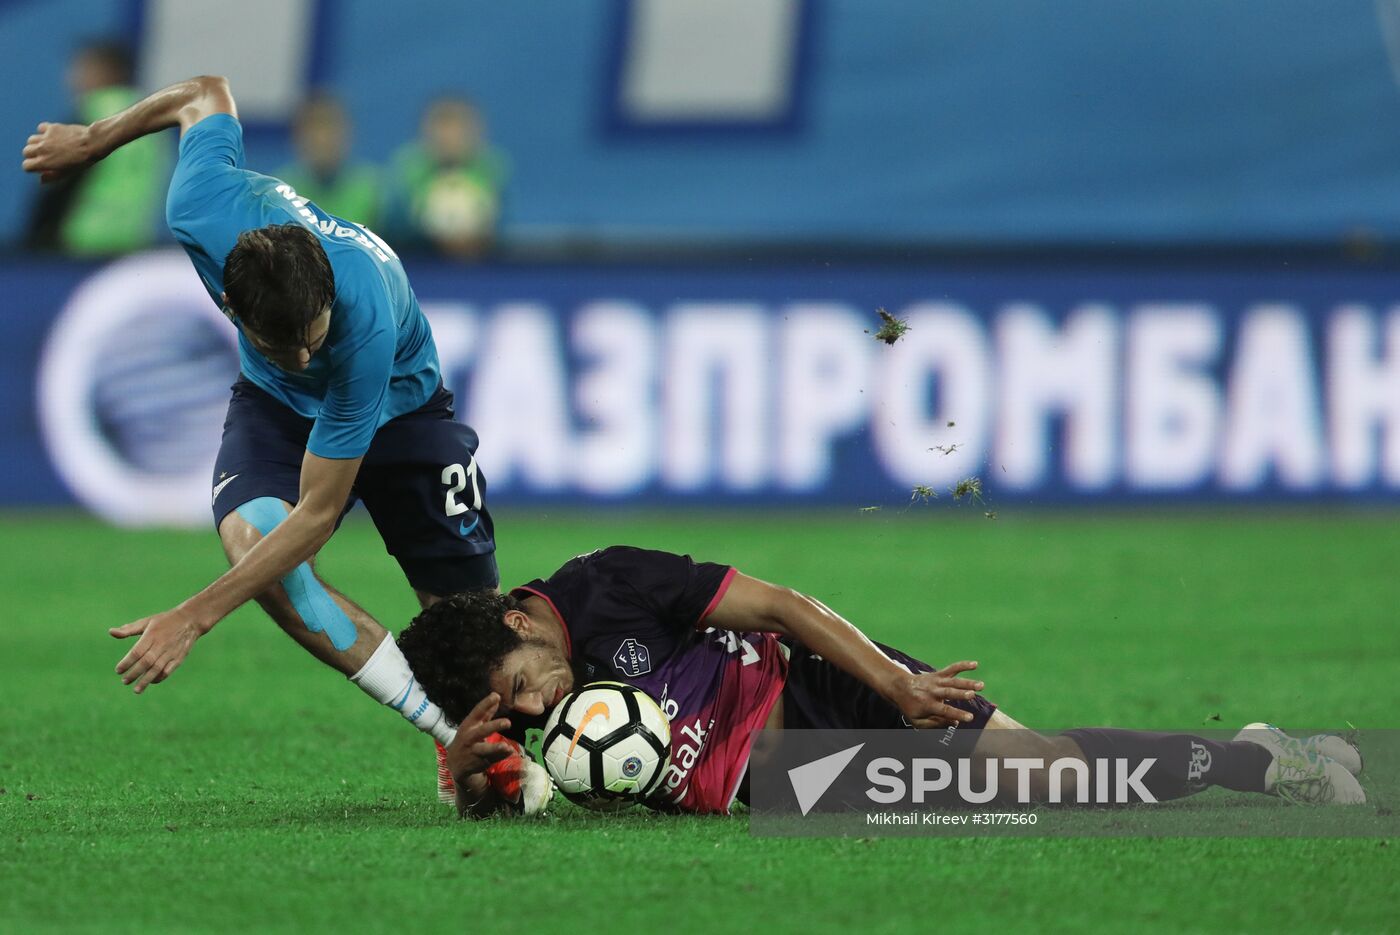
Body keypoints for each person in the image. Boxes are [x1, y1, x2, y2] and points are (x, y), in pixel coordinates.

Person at [21, 76, 498, 774]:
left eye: (312, 335)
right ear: (234, 310)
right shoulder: (203, 207)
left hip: (402, 410)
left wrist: (193, 614)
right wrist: (96, 141)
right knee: (257, 547)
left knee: (477, 644)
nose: (306, 356)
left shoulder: (357, 321)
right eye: (285, 343)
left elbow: (317, 513)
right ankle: (439, 724)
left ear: (324, 294)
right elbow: (204, 93)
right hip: (273, 406)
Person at [397, 546, 1366, 817]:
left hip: (827, 688)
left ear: (521, 621)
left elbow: (779, 606)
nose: (534, 711)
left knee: (1048, 776)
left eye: (521, 685)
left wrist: (897, 688)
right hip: (778, 788)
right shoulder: (515, 699)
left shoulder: (609, 585)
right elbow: (510, 787)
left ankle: (1257, 759)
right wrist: (477, 780)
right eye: (515, 708)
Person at [24, 38, 167, 255]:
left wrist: (37, 236)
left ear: (107, 72)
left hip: (80, 240)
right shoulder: (154, 120)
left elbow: (60, 180)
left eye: (83, 69)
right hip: (130, 241)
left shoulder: (93, 113)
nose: (72, 78)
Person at [383, 96, 506, 259]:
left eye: (458, 126)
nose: (449, 136)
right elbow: (395, 229)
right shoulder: (407, 170)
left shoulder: (493, 169)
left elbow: (500, 228)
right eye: (442, 126)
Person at [277, 93, 380, 229]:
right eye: (313, 128)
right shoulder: (279, 192)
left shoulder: (372, 189)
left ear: (346, 133)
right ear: (297, 136)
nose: (322, 138)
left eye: (329, 127)